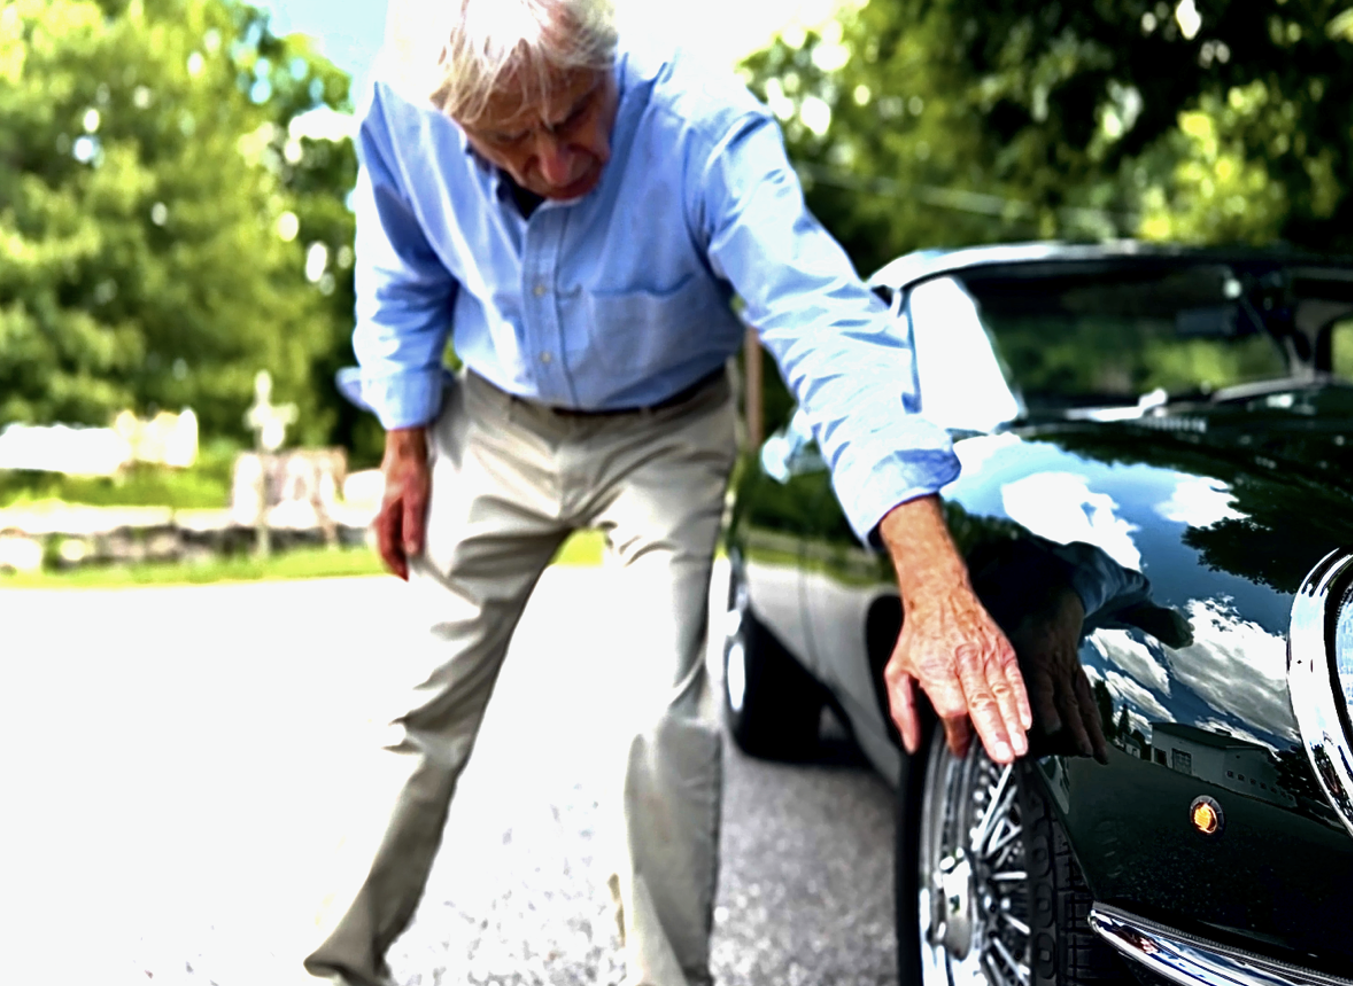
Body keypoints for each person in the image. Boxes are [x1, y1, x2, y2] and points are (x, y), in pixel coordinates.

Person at [311, 2, 1032, 984]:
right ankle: (331, 968)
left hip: (664, 431)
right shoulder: (401, 107)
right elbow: (396, 275)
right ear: (452, 118)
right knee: (411, 708)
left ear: (604, 59)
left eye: (572, 113)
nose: (558, 162)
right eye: (510, 143)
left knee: (659, 720)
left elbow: (823, 325)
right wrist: (405, 442)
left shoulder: (699, 123)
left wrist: (932, 580)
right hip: (494, 422)